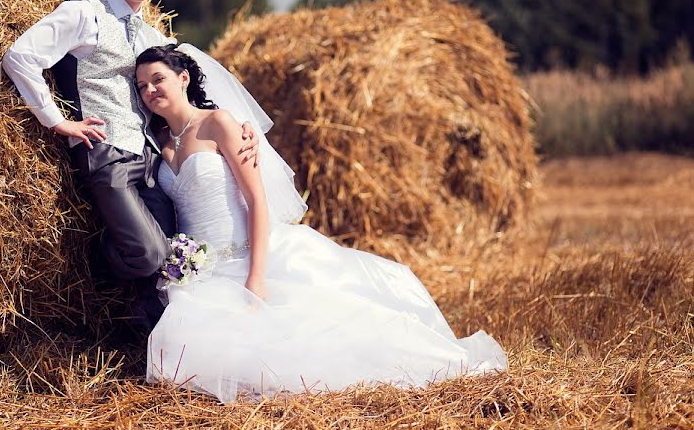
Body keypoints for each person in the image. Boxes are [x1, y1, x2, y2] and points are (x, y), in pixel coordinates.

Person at [134, 45, 508, 403]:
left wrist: (256, 277)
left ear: (183, 78)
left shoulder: (219, 124)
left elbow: (257, 201)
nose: (150, 90)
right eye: (142, 86)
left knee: (311, 344)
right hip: (202, 273)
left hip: (249, 256)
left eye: (158, 79)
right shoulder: (158, 140)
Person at [1, 0, 263, 329]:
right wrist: (55, 120)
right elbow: (20, 56)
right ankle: (89, 259)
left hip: (151, 158)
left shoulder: (149, 34)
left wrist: (241, 125)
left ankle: (151, 332)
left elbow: (185, 83)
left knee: (172, 254)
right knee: (149, 253)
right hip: (108, 153)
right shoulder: (84, 13)